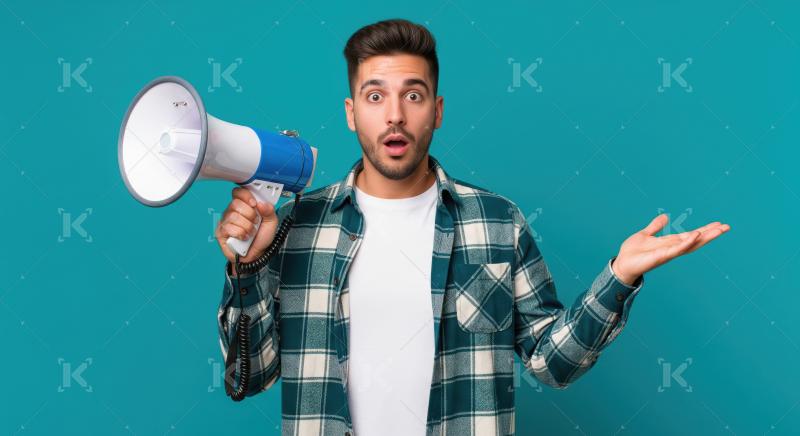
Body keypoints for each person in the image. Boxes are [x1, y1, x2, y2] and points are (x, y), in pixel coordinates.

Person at [214, 18, 730, 436]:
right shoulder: (294, 225)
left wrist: (618, 276)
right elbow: (249, 376)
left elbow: (554, 363)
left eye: (412, 96)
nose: (394, 115)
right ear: (351, 113)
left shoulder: (497, 222)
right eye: (375, 97)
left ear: (436, 111)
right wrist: (247, 266)